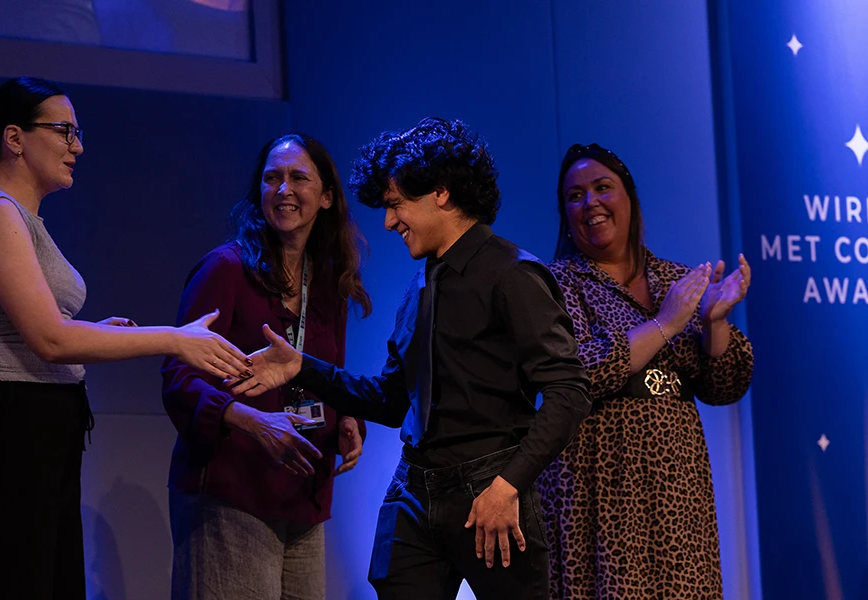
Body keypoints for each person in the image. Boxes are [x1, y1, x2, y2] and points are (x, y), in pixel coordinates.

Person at [230, 118, 592, 600]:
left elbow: (568, 393)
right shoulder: (421, 286)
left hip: (490, 486)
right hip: (415, 489)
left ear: (441, 193)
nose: (388, 222)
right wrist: (303, 367)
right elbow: (391, 398)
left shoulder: (513, 274)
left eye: (397, 205)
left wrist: (508, 486)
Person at [0, 77, 251, 600]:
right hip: (1, 429)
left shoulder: (17, 216)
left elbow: (43, 330)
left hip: (33, 426)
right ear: (14, 138)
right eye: (64, 131)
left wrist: (92, 334)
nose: (78, 147)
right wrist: (173, 339)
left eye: (78, 133)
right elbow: (50, 341)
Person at [536, 143, 754, 599]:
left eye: (602, 188)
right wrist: (665, 324)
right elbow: (578, 372)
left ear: (629, 200)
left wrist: (714, 322)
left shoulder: (677, 280)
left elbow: (726, 384)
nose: (590, 202)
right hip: (597, 481)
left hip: (678, 483)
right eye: (574, 196)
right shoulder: (554, 284)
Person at [161, 133, 372, 600]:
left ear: (327, 197)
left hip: (303, 497)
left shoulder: (327, 284)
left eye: (298, 177)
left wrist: (346, 419)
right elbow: (178, 380)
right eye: (272, 178)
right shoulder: (225, 270)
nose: (283, 189)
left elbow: (324, 375)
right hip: (231, 491)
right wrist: (253, 422)